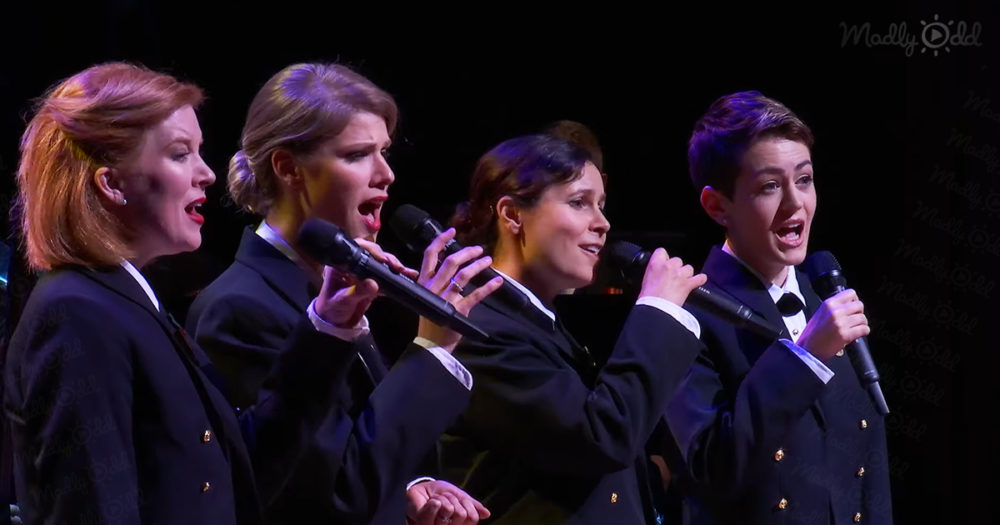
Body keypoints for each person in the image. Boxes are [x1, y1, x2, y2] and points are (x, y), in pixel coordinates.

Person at [3, 61, 386, 524]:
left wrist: (328, 326)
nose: (207, 174)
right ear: (111, 183)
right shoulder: (75, 313)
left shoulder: (130, 300)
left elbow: (237, 474)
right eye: (180, 153)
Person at [185, 62, 498, 525]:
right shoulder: (239, 308)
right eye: (357, 155)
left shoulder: (342, 284)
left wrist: (413, 486)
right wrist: (433, 347)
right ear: (289, 169)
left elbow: (360, 445)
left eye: (385, 152)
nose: (386, 174)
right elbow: (330, 492)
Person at [437, 133, 706, 524]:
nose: (603, 223)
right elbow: (600, 437)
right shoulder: (480, 329)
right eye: (579, 203)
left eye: (601, 205)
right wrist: (658, 311)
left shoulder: (537, 321)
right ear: (512, 214)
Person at [665, 91, 892, 524]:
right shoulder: (688, 313)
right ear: (717, 206)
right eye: (770, 186)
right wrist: (804, 356)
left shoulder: (824, 298)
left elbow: (870, 464)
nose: (796, 204)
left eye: (804, 180)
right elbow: (714, 465)